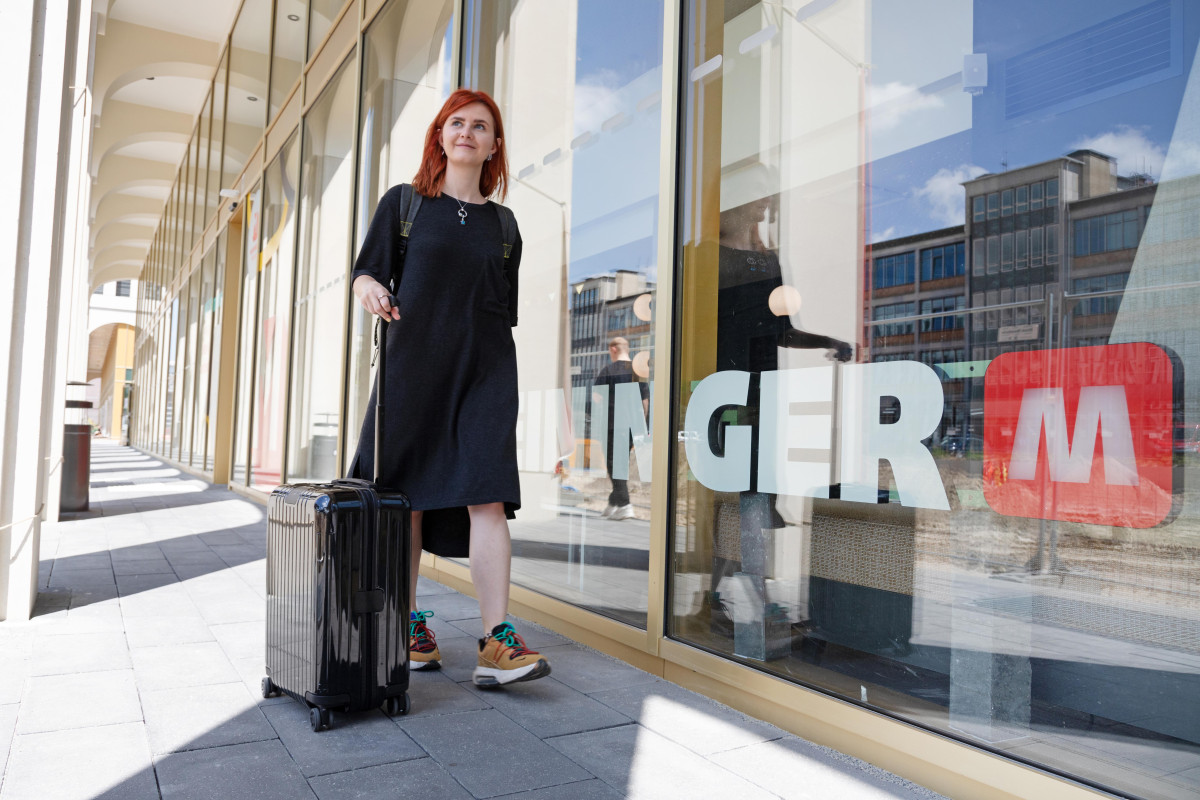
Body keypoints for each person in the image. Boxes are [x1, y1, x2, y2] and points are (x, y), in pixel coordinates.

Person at [347, 89, 550, 688]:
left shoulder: (505, 224)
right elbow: (366, 271)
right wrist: (369, 291)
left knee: (487, 493)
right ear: (440, 136)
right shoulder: (405, 204)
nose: (467, 132)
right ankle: (410, 626)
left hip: (485, 373)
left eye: (480, 126)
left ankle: (496, 641)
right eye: (456, 123)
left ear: (493, 146)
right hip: (413, 369)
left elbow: (500, 309)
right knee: (405, 498)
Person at [592, 336, 649, 520]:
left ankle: (624, 504)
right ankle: (613, 502)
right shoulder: (637, 370)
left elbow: (596, 398)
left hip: (611, 425)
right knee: (621, 464)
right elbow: (645, 402)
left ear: (613, 349)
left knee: (613, 465)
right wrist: (641, 426)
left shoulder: (608, 370)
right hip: (631, 426)